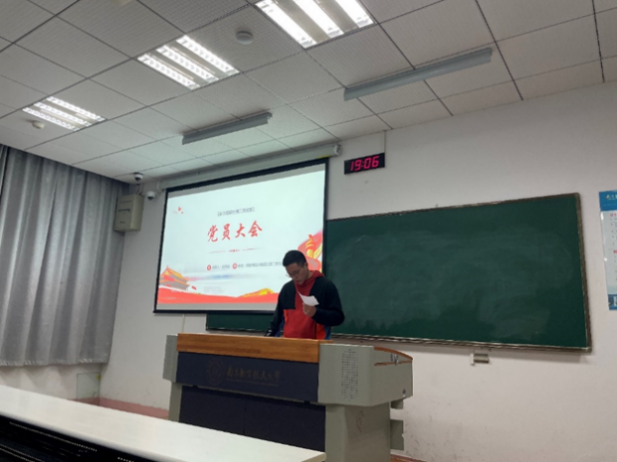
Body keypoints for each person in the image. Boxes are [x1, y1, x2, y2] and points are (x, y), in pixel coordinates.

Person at [265, 250, 344, 339]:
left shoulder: (325, 286)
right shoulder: (287, 289)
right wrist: (267, 338)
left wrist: (316, 313)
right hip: (289, 344)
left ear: (306, 265)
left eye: (296, 272)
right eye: (290, 275)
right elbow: (277, 321)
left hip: (316, 345)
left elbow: (338, 318)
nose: (295, 277)